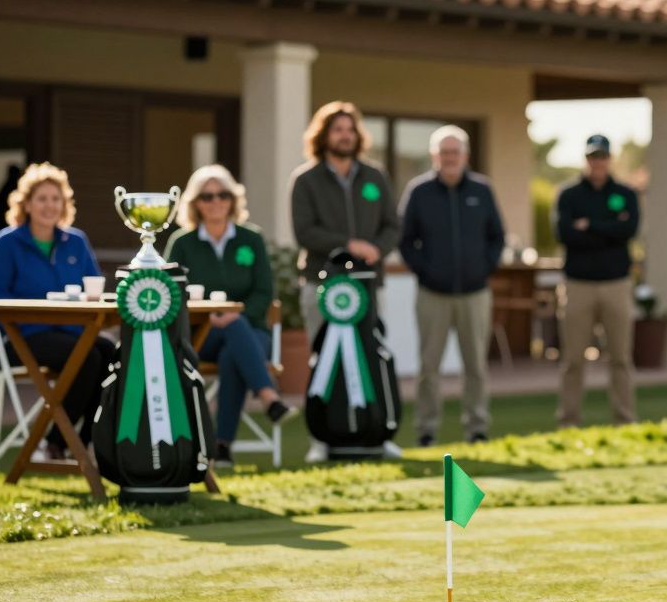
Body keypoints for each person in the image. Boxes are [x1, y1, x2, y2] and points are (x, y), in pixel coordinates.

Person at [290, 100, 401, 461]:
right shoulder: (305, 180)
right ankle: (320, 440)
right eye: (337, 129)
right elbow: (304, 232)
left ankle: (377, 433)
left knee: (373, 357)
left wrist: (375, 249)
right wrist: (347, 245)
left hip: (370, 287)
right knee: (322, 361)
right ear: (324, 135)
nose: (345, 135)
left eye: (350, 129)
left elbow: (392, 226)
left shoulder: (375, 177)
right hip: (320, 286)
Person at [165, 164, 297, 468]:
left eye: (222, 194)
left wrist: (237, 315)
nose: (215, 202)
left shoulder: (251, 239)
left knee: (232, 352)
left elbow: (265, 291)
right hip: (200, 335)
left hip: (251, 331)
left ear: (233, 199)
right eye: (207, 196)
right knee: (230, 339)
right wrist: (207, 318)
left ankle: (221, 447)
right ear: (196, 202)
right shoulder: (182, 243)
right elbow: (172, 294)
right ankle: (269, 399)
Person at [0, 162, 113, 460]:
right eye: (42, 198)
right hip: (23, 337)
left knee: (112, 354)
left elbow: (92, 287)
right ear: (26, 203)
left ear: (64, 204)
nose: (49, 205)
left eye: (56, 199)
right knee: (89, 357)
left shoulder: (76, 242)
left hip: (73, 333)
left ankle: (85, 440)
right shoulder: (8, 242)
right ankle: (57, 443)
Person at [398, 125, 505, 446]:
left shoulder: (482, 190)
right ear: (435, 156)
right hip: (432, 294)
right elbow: (405, 241)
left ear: (465, 155)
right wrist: (426, 272)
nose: (449, 158)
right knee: (429, 366)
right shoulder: (419, 192)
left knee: (476, 365)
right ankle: (426, 429)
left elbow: (496, 237)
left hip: (475, 293)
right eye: (444, 152)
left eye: (454, 152)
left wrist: (484, 268)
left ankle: (477, 428)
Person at [554, 134, 639, 428]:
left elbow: (628, 229)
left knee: (620, 358)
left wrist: (589, 225)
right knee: (573, 359)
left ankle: (624, 420)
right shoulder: (569, 194)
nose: (597, 162)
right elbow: (565, 234)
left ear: (609, 159)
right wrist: (608, 229)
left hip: (616, 283)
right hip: (578, 285)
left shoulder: (624, 193)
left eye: (602, 157)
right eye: (593, 157)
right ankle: (569, 421)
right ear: (586, 159)